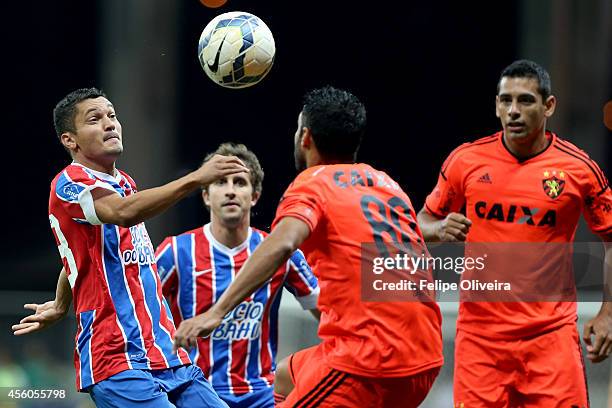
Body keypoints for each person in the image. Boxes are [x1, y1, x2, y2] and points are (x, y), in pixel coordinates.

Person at [173, 86, 444, 407]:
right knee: (286, 375)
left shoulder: (313, 184)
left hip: (368, 361)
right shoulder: (387, 185)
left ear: (305, 137)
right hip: (426, 352)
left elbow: (284, 243)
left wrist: (215, 313)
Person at [11, 87, 250, 407]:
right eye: (95, 119)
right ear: (71, 140)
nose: (110, 124)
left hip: (168, 355)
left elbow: (79, 253)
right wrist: (195, 179)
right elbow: (123, 213)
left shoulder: (124, 182)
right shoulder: (70, 183)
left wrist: (60, 302)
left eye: (112, 115)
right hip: (117, 359)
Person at [417, 59, 612, 407]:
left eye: (525, 101)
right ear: (495, 105)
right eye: (505, 101)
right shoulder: (467, 161)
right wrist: (439, 229)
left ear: (548, 106)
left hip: (550, 339)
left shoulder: (578, 169)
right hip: (481, 341)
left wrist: (607, 313)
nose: (514, 111)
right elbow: (420, 222)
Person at [155, 142, 320, 408]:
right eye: (221, 182)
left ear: (254, 195)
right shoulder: (176, 251)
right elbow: (138, 308)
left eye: (240, 182)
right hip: (194, 391)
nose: (231, 190)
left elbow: (328, 315)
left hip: (262, 395)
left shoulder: (280, 251)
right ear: (206, 196)